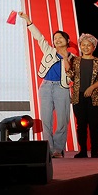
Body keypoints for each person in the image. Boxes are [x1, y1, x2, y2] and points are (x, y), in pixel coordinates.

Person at [19, 12, 73, 158]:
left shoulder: (73, 58)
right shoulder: (49, 50)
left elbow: (71, 73)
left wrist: (65, 57)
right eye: (55, 38)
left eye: (60, 37)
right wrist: (28, 20)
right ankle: (49, 149)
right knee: (46, 120)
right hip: (46, 87)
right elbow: (39, 37)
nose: (57, 40)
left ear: (67, 40)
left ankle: (58, 149)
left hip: (62, 88)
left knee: (62, 120)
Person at [66, 33, 98, 158]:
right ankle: (83, 151)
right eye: (83, 45)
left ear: (93, 47)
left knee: (94, 125)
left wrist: (91, 88)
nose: (85, 47)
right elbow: (71, 75)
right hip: (78, 97)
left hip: (94, 97)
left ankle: (95, 151)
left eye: (88, 45)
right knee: (81, 125)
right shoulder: (75, 60)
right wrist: (65, 61)